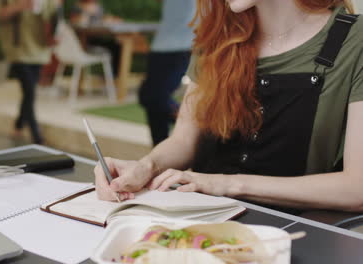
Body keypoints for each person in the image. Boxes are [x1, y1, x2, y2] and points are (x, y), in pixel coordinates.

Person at [94, 0, 363, 214]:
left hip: (291, 234)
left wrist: (226, 184)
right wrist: (146, 166)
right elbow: (184, 141)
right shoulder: (216, 38)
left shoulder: (355, 41)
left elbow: (356, 188)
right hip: (197, 222)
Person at [0, 0, 60, 144]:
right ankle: (37, 137)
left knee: (29, 91)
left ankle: (18, 125)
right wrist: (19, 6)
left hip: (39, 47)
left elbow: (54, 9)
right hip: (17, 49)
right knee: (29, 92)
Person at [138, 0, 196, 146]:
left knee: (156, 97)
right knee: (148, 97)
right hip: (160, 45)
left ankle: (194, 127)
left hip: (183, 45)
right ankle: (159, 149)